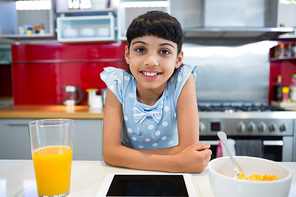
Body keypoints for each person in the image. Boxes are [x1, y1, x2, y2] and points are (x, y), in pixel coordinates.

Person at [100, 11, 212, 173]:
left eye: (164, 51)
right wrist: (176, 163)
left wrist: (124, 155)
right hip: (127, 173)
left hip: (158, 174)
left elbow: (188, 149)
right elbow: (110, 153)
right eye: (140, 49)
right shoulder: (117, 83)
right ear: (127, 54)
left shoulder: (183, 80)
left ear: (178, 59)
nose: (151, 61)